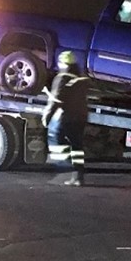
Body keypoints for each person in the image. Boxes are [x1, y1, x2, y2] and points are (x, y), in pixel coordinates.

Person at [40, 50, 91, 186]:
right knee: (77, 146)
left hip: (68, 117)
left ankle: (68, 166)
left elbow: (56, 100)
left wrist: (47, 116)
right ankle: (78, 177)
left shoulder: (62, 77)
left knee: (56, 140)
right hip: (81, 117)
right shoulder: (81, 79)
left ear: (62, 63)